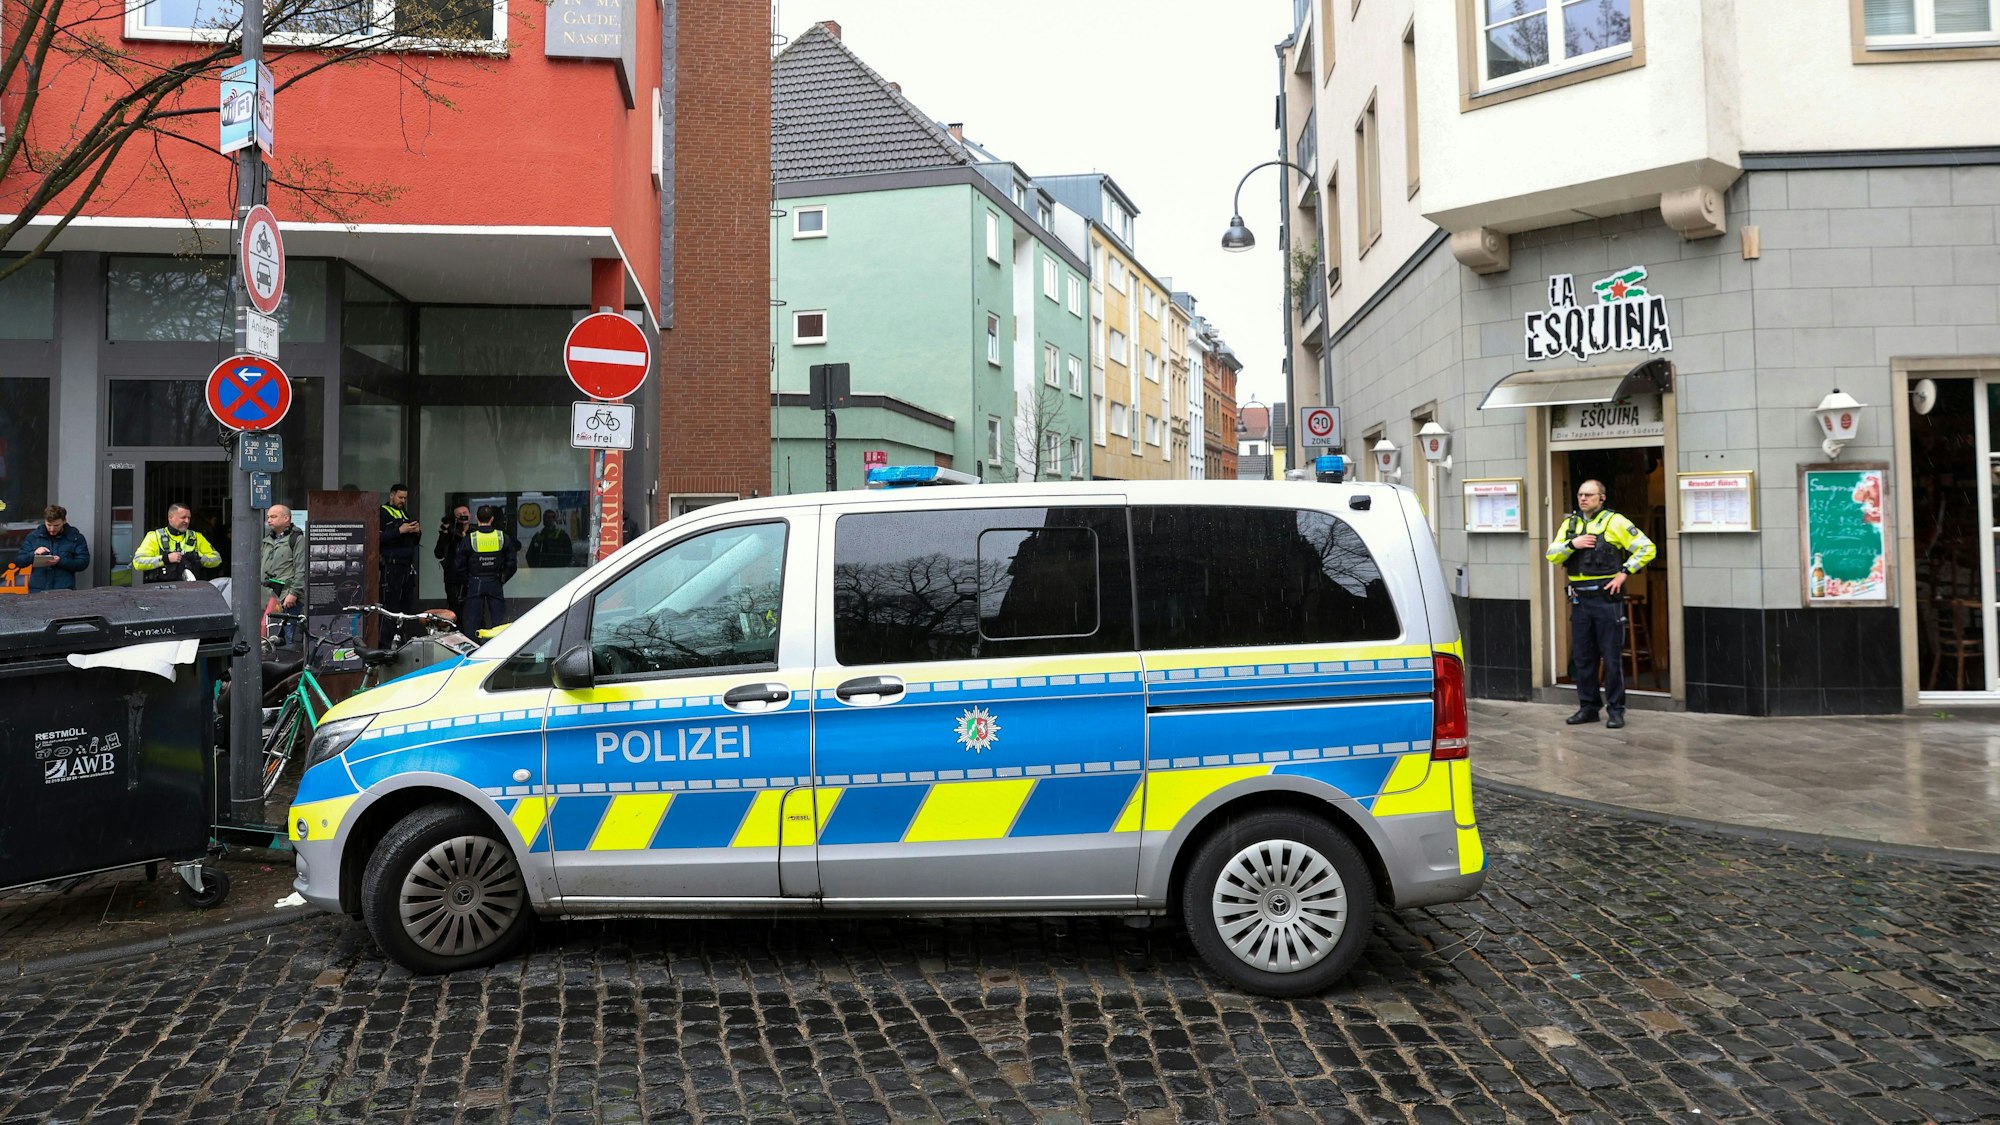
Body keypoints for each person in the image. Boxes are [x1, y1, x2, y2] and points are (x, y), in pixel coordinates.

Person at [1546, 479, 1657, 730]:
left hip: (1606, 598)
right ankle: (1588, 707)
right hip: (1580, 599)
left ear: (1602, 497)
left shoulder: (1615, 522)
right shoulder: (1570, 524)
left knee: (1611, 656)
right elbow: (1552, 554)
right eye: (1580, 494)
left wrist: (1624, 572)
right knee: (1584, 657)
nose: (1583, 499)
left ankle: (1616, 710)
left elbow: (1646, 548)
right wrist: (1572, 544)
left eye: (1589, 494)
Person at [455, 505, 518, 637]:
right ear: (492, 519)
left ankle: (472, 650)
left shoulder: (470, 538)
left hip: (475, 582)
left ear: (477, 518)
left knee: (472, 621)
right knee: (498, 622)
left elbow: (459, 564)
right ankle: (500, 649)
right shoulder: (502, 537)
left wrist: (467, 580)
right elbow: (512, 563)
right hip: (494, 581)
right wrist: (503, 577)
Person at [133, 502, 222, 583]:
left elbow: (217, 559)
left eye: (189, 518)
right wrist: (165, 559)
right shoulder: (155, 537)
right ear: (170, 518)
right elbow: (138, 562)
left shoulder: (196, 537)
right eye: (183, 517)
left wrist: (198, 558)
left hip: (191, 592)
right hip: (161, 592)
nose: (187, 521)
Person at [13, 504, 89, 592]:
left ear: (64, 521)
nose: (52, 529)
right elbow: (19, 561)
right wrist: (34, 553)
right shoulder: (34, 537)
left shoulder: (76, 538)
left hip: (64, 590)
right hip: (38, 590)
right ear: (45, 521)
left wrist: (60, 561)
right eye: (49, 525)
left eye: (56, 525)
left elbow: (83, 563)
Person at [260, 504, 306, 643]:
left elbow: (301, 568)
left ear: (286, 518)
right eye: (268, 517)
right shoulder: (267, 540)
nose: (269, 520)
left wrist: (294, 593)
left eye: (273, 516)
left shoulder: (297, 539)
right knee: (267, 638)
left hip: (287, 599)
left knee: (287, 638)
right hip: (267, 598)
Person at [378, 483, 422, 626]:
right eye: (400, 497)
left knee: (405, 608)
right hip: (391, 566)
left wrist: (417, 532)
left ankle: (401, 639)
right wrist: (399, 531)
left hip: (406, 567)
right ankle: (385, 643)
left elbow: (412, 542)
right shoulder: (382, 512)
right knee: (390, 608)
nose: (402, 501)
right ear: (392, 495)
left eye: (405, 498)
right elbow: (377, 538)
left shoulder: (405, 514)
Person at [434, 502, 473, 619]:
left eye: (465, 513)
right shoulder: (449, 535)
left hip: (472, 578)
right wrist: (446, 534)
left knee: (472, 612)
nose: (463, 516)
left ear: (470, 515)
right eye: (459, 515)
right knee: (455, 613)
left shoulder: (475, 533)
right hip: (453, 580)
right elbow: (438, 553)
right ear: (455, 518)